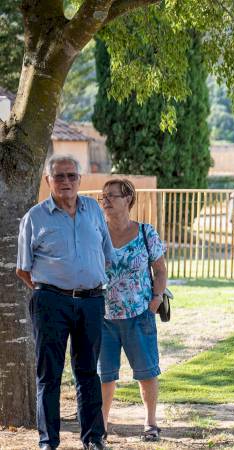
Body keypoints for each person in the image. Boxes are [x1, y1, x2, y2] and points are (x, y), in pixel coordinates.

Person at [16, 155, 113, 450]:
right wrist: (53, 291)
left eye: (72, 176)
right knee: (49, 374)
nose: (66, 182)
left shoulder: (94, 211)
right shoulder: (34, 217)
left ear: (80, 180)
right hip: (50, 302)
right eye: (59, 176)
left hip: (91, 301)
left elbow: (106, 254)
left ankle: (94, 439)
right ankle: (48, 441)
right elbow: (23, 268)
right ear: (48, 181)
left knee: (87, 372)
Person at [97, 179, 167, 442]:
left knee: (146, 371)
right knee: (105, 375)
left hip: (140, 315)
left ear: (127, 198)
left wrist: (155, 300)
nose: (105, 201)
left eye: (111, 196)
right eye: (103, 197)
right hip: (103, 317)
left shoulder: (147, 233)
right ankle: (101, 425)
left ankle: (150, 423)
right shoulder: (97, 233)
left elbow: (160, 270)